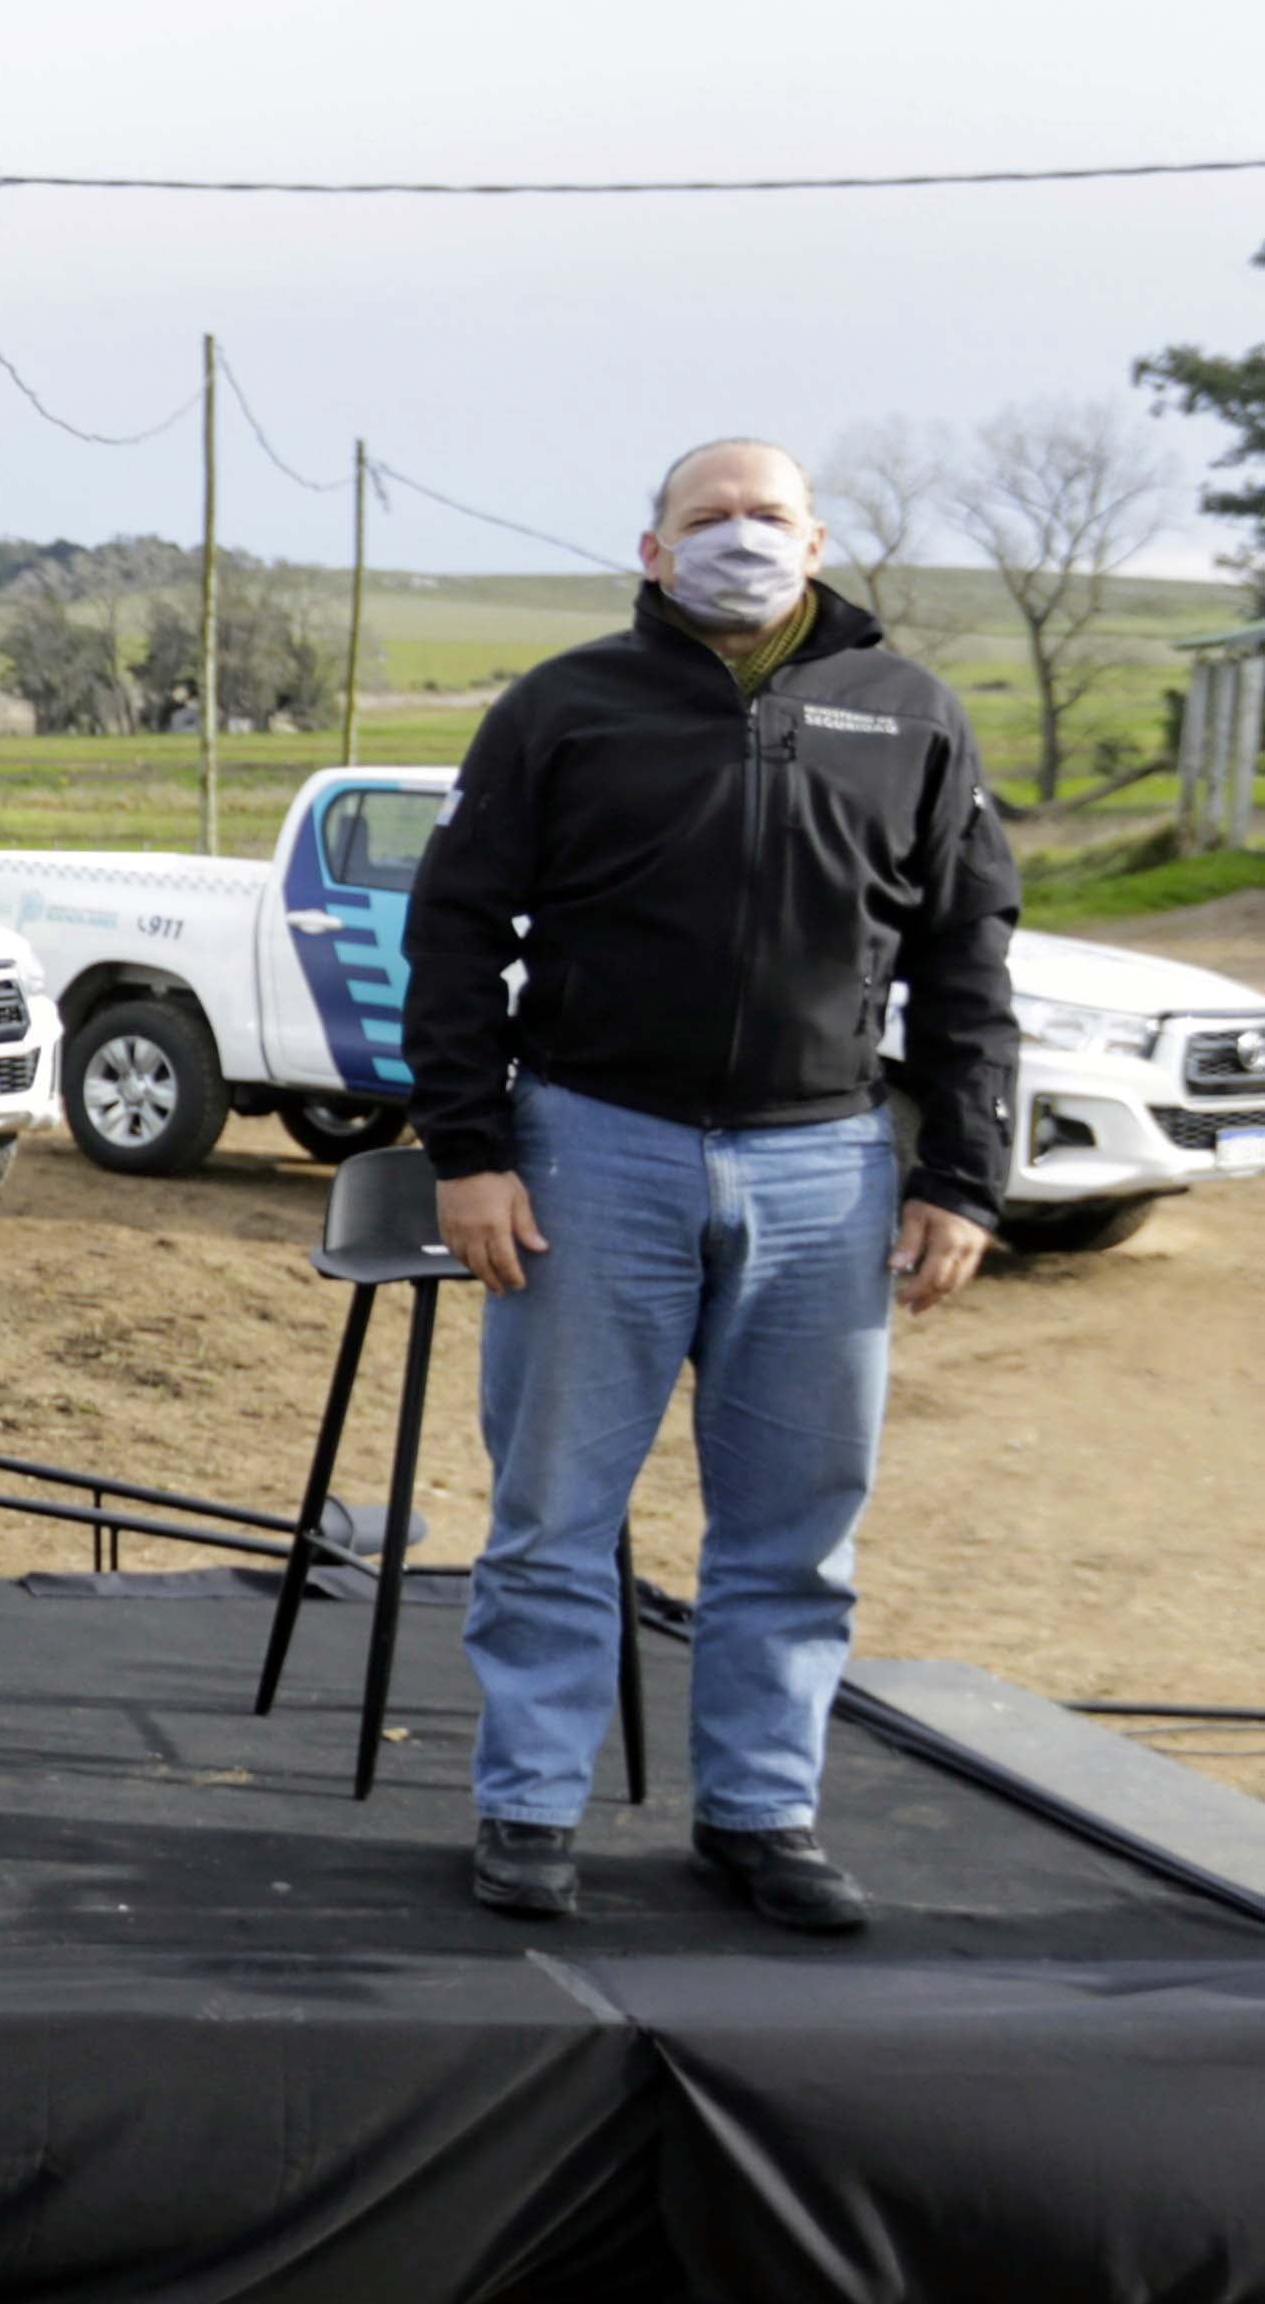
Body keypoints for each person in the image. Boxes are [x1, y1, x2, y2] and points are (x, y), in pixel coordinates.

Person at [409, 438, 1014, 1934]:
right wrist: (469, 1150)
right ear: (653, 548)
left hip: (826, 1168)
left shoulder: (911, 714)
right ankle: (531, 1804)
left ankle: (761, 1812)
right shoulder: (563, 707)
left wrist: (966, 1174)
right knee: (555, 1507)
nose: (737, 536)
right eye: (708, 517)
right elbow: (456, 929)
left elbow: (969, 959)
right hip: (590, 1147)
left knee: (798, 1522)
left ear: (817, 543)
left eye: (766, 516)